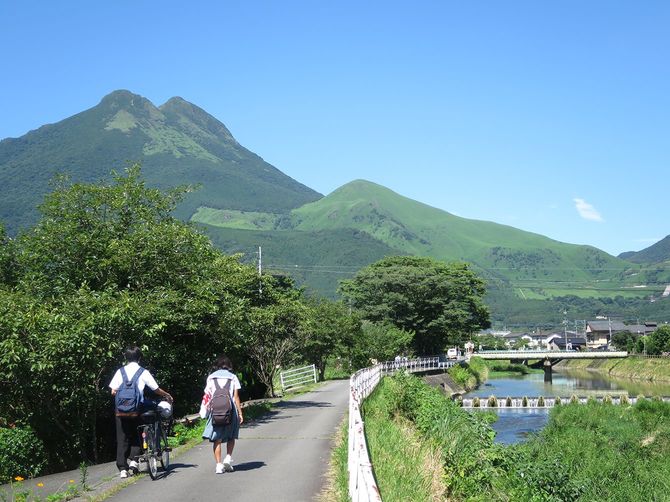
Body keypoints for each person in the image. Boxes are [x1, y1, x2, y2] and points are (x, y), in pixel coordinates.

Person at [109, 346, 173, 479]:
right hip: (137, 409)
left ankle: (122, 469)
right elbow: (155, 389)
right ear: (139, 358)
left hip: (120, 410)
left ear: (126, 358)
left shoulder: (120, 371)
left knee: (122, 437)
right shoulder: (143, 372)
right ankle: (134, 461)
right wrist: (167, 395)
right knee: (139, 434)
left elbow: (113, 391)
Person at [199, 355, 243, 474]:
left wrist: (205, 411)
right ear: (229, 366)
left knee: (217, 439)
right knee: (231, 436)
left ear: (217, 366)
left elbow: (207, 395)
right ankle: (228, 458)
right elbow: (236, 397)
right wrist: (240, 413)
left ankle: (219, 465)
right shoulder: (233, 377)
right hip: (231, 410)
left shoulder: (211, 377)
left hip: (215, 411)